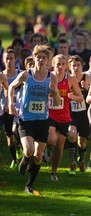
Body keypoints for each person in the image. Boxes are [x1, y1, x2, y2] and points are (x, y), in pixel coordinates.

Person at [8, 45, 60, 195]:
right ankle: (24, 159)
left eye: (44, 57)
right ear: (34, 58)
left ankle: (29, 185)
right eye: (39, 57)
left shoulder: (52, 77)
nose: (41, 60)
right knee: (29, 150)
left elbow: (56, 102)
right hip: (26, 120)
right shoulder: (26, 75)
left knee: (38, 156)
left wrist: (54, 91)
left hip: (42, 121)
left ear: (48, 60)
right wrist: (11, 104)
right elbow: (11, 87)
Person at [48, 54, 83, 181]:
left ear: (66, 66)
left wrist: (72, 96)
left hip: (64, 116)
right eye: (58, 64)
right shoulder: (47, 77)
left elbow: (80, 97)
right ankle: (48, 148)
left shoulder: (71, 79)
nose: (61, 67)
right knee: (51, 138)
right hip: (49, 114)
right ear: (53, 64)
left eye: (63, 64)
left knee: (60, 147)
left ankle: (53, 171)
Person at [1, 49, 21, 168]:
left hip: (18, 110)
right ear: (3, 60)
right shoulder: (1, 75)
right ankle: (14, 158)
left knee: (15, 131)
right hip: (5, 110)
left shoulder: (20, 74)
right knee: (9, 136)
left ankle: (20, 147)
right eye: (6, 58)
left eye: (11, 58)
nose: (9, 61)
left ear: (15, 59)